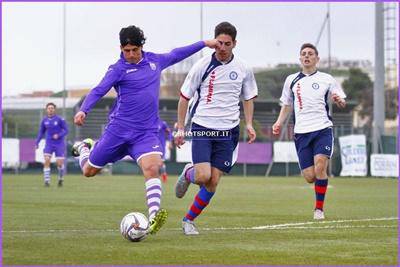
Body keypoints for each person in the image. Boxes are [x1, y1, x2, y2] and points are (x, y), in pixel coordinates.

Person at [72, 25, 219, 235]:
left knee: (153, 168)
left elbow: (177, 54)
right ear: (121, 49)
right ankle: (84, 147)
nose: (130, 54)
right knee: (89, 171)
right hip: (118, 131)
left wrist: (204, 43)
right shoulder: (117, 69)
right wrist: (83, 110)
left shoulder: (154, 61)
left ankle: (152, 219)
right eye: (126, 50)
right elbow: (98, 90)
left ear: (142, 46)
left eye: (134, 50)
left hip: (146, 132)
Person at [174, 22, 258, 235]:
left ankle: (188, 220)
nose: (222, 48)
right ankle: (188, 173)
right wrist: (181, 128)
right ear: (214, 42)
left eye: (227, 44)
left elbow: (248, 98)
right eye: (219, 43)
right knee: (202, 176)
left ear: (234, 44)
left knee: (213, 181)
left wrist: (248, 123)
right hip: (203, 126)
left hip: (228, 131)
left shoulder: (243, 68)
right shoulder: (202, 65)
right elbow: (184, 97)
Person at [272, 43, 346, 220]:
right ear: (300, 58)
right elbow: (287, 104)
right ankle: (317, 194)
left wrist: (338, 100)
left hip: (322, 129)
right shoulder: (291, 80)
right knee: (309, 177)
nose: (307, 56)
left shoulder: (327, 78)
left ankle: (318, 210)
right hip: (301, 132)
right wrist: (278, 122)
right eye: (303, 54)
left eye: (310, 54)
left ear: (317, 58)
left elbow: (342, 101)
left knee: (321, 164)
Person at [35, 102, 68, 187]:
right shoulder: (44, 120)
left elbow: (66, 130)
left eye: (52, 108)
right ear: (46, 110)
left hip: (59, 144)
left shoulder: (60, 119)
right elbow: (41, 132)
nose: (50, 109)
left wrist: (59, 135)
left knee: (59, 163)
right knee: (46, 160)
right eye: (49, 108)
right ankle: (47, 181)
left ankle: (60, 179)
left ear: (54, 109)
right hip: (49, 144)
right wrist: (37, 142)